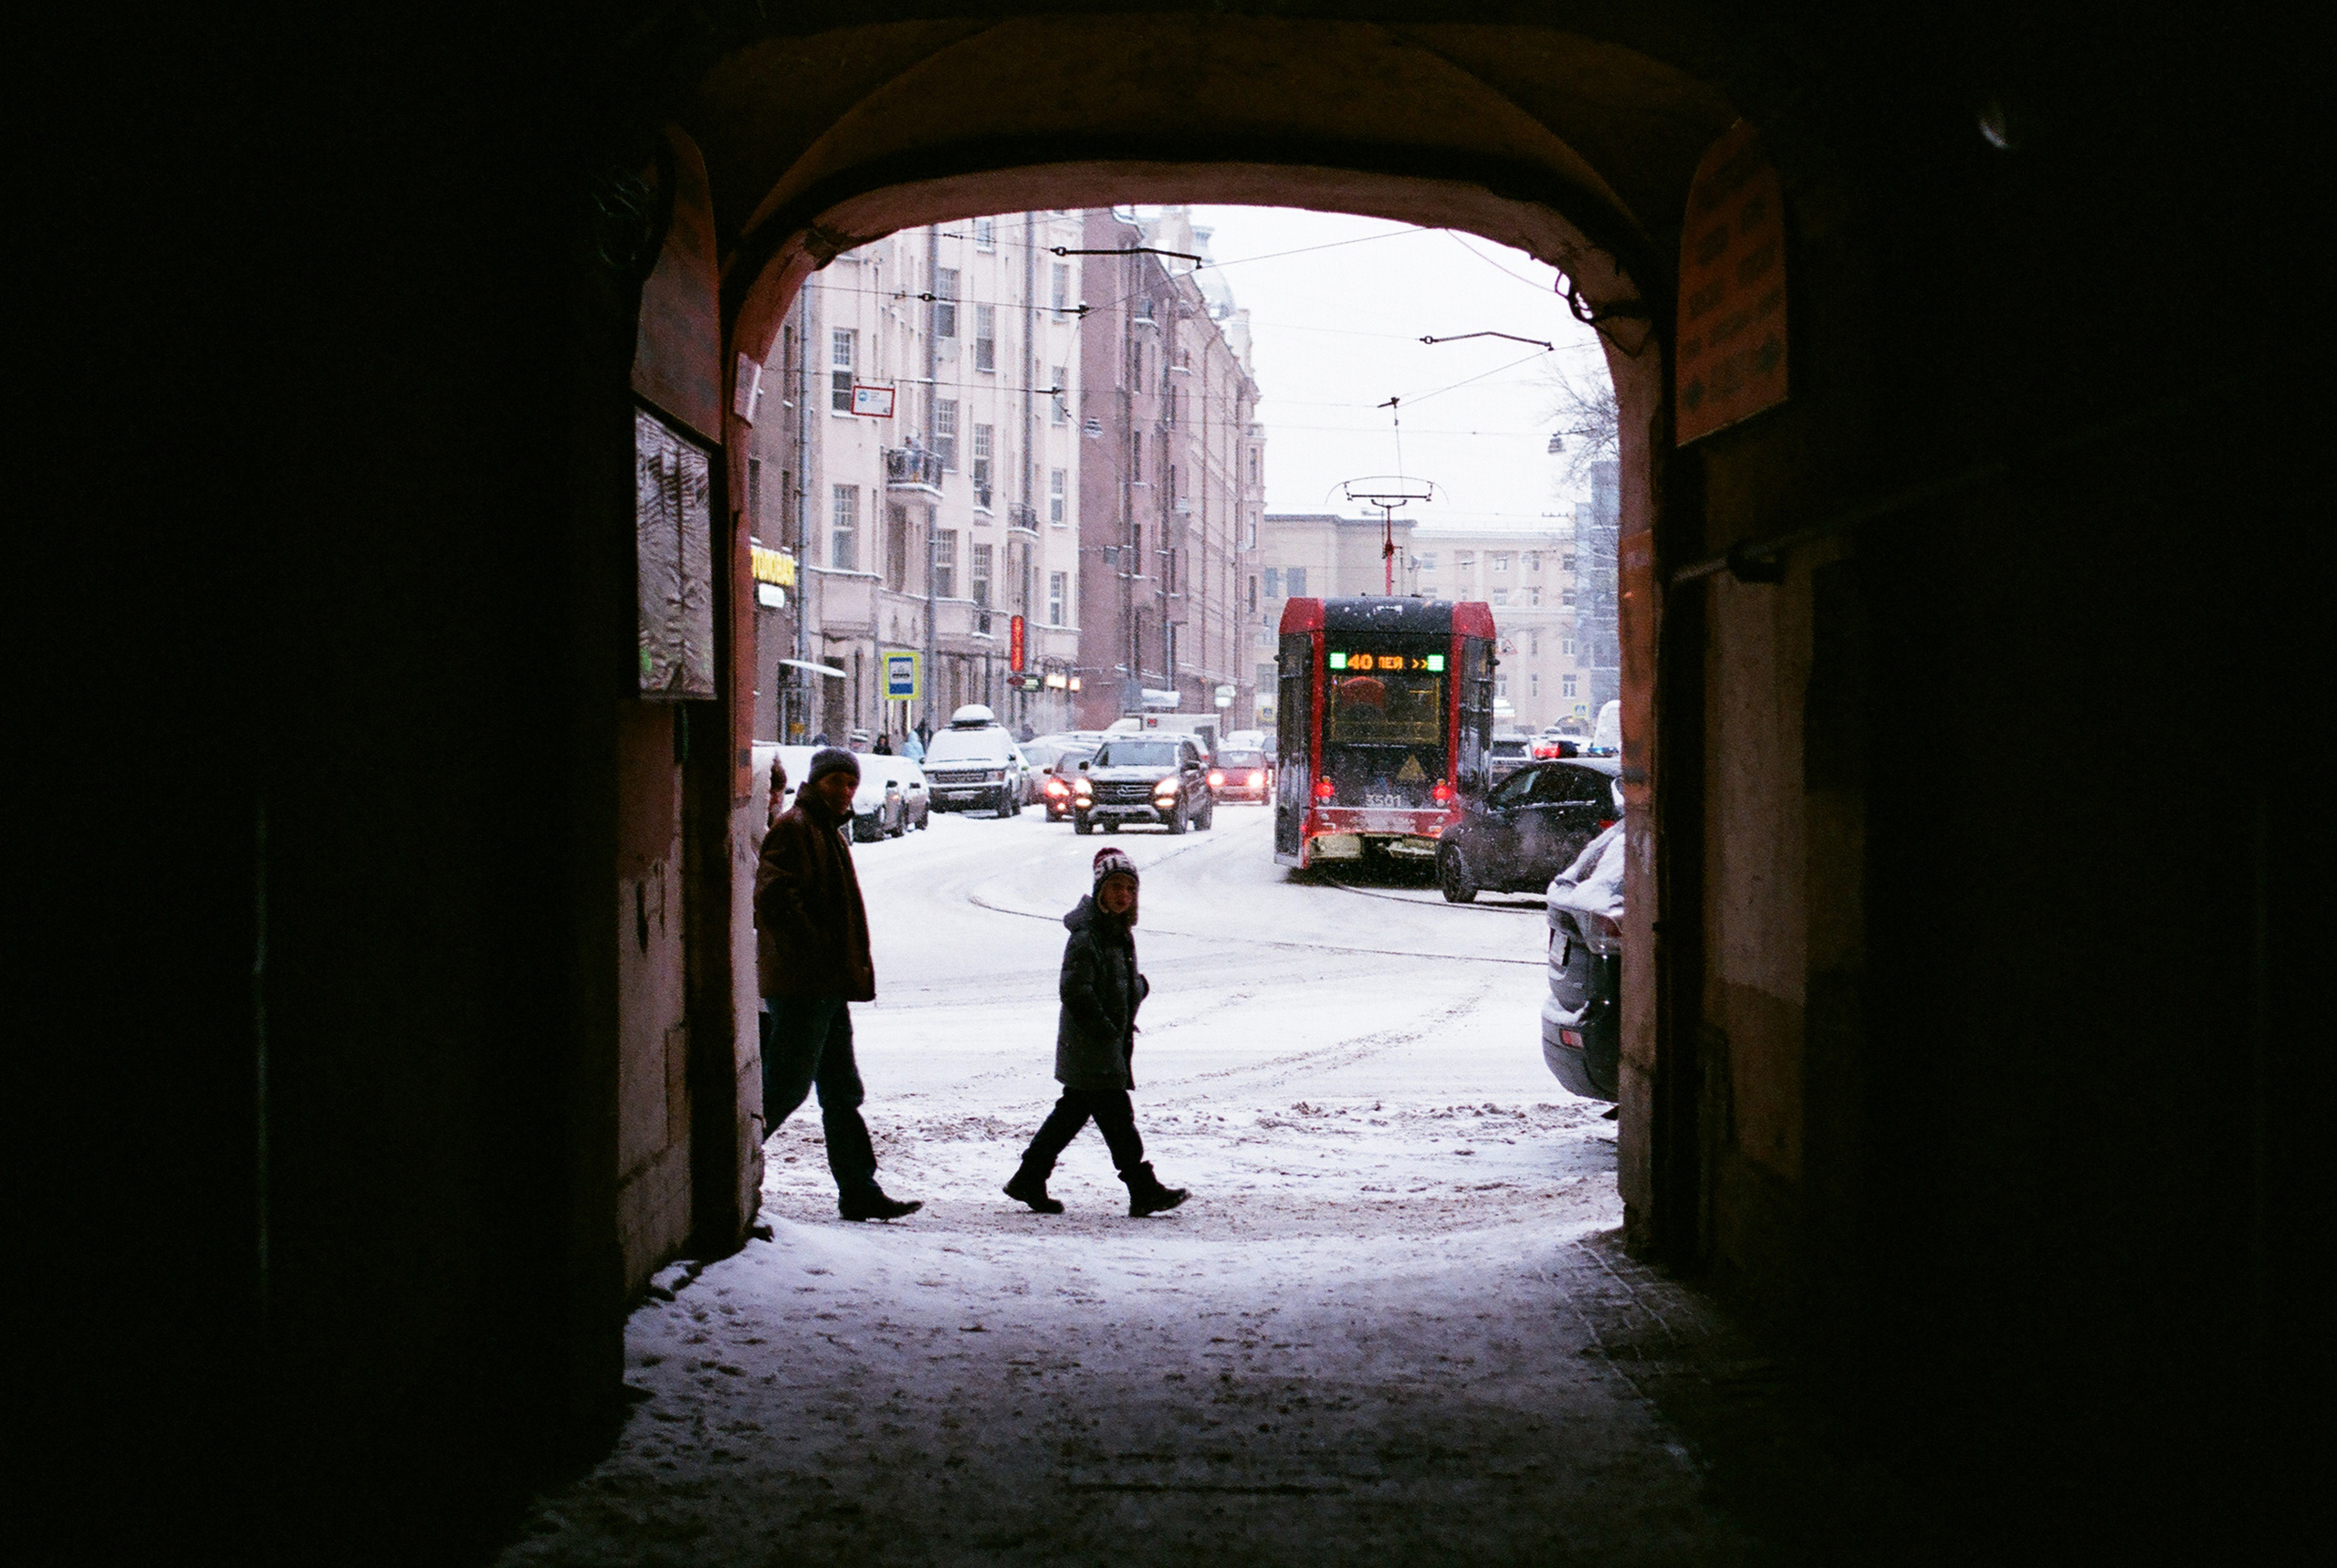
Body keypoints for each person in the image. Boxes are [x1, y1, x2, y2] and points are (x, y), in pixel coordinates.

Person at [755, 747, 920, 1222]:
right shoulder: (796, 828)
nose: (845, 791)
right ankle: (728, 1162)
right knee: (785, 1087)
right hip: (804, 987)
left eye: (851, 783)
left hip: (824, 987)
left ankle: (859, 1190)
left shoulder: (824, 830)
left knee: (842, 1091)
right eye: (836, 782)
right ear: (816, 783)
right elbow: (773, 899)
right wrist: (815, 952)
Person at [1003, 848, 1189, 1218]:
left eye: (1129, 889)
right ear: (1100, 890)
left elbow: (1109, 983)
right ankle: (1141, 1187)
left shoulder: (1117, 933)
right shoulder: (1088, 936)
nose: (1123, 895)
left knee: (1072, 1114)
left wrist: (1136, 988)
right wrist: (1105, 1028)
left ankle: (1029, 1177)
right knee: (1117, 1119)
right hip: (1092, 1045)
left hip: (1103, 1044)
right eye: (1116, 887)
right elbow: (1075, 990)